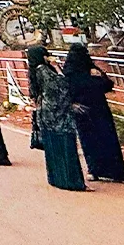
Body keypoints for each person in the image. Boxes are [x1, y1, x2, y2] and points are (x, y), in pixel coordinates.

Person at [65, 43, 124, 183]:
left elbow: (65, 91)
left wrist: (72, 104)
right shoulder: (90, 70)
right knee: (107, 139)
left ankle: (95, 170)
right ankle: (115, 173)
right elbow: (107, 85)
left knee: (89, 142)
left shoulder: (69, 72)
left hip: (82, 110)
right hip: (98, 109)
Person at [27, 45, 87, 191]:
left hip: (46, 113)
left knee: (53, 147)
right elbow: (61, 85)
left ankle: (57, 178)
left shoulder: (34, 71)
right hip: (58, 114)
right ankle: (71, 180)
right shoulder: (43, 70)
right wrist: (57, 68)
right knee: (66, 145)